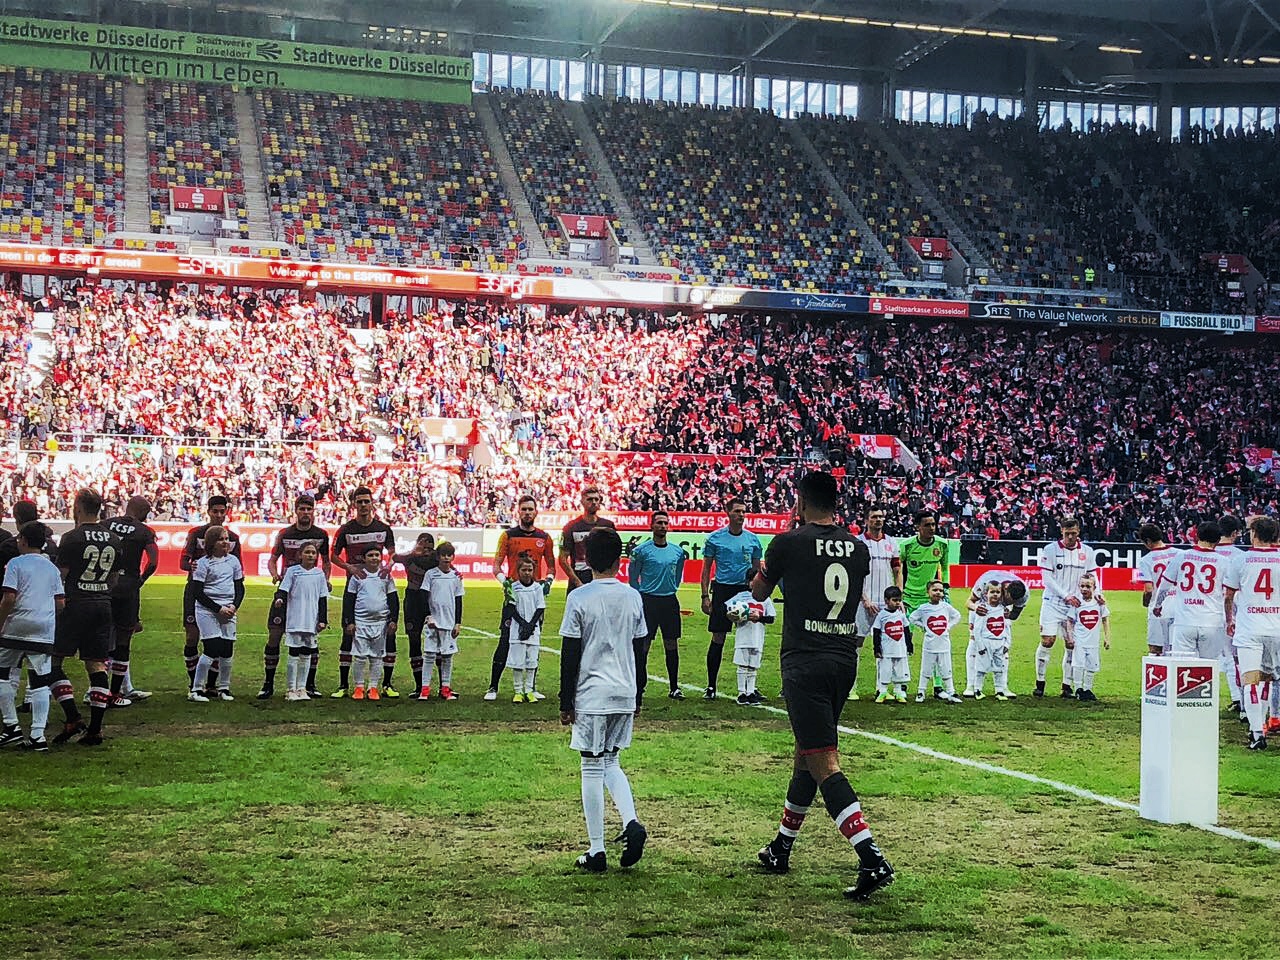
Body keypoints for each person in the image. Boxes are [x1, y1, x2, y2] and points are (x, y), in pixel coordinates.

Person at [752, 471, 893, 902]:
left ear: (800, 500)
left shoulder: (788, 542)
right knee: (807, 756)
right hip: (842, 659)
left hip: (804, 660)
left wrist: (768, 561)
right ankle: (781, 847)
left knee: (824, 761)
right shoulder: (859, 548)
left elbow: (758, 592)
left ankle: (870, 857)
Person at [557, 526, 648, 873]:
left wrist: (566, 702)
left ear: (586, 560)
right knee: (611, 761)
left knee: (591, 766)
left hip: (592, 693)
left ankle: (596, 850)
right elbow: (640, 650)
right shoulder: (633, 597)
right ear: (619, 559)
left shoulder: (579, 598)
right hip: (624, 690)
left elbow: (570, 652)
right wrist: (638, 693)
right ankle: (631, 821)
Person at [50, 489, 124, 746]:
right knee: (96, 665)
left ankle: (72, 716)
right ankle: (95, 729)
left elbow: (61, 574)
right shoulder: (114, 539)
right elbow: (114, 578)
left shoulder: (71, 538)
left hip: (75, 603)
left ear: (78, 507)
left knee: (53, 661)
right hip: (103, 604)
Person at [0, 522, 64, 751]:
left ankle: (11, 727)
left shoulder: (15, 564)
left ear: (24, 541)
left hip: (16, 625)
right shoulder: (51, 568)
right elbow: (60, 602)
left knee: (3, 674)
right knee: (40, 680)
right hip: (43, 628)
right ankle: (38, 734)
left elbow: (9, 598)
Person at [261, 495, 331, 700]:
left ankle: (308, 684)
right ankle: (268, 684)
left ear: (313, 511)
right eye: (302, 509)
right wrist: (275, 575)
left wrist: (324, 580)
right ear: (296, 511)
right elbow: (273, 559)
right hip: (288, 589)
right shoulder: (285, 534)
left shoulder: (321, 535)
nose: (305, 512)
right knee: (274, 635)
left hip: (307, 593)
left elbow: (326, 562)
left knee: (310, 637)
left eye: (309, 509)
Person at [485, 495, 555, 702]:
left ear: (536, 512)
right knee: (505, 639)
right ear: (518, 512)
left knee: (534, 639)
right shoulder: (508, 536)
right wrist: (504, 582)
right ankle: (493, 686)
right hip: (513, 595)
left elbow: (551, 565)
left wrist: (548, 581)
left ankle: (531, 687)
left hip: (534, 596)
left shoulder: (545, 537)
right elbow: (496, 564)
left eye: (530, 509)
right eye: (523, 509)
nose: (527, 513)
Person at [330, 487, 396, 698]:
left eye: (366, 501)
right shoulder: (346, 529)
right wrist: (349, 568)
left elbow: (393, 553)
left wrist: (388, 565)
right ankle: (344, 685)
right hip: (355, 588)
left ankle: (385, 684)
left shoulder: (383, 528)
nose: (363, 505)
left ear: (372, 503)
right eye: (359, 502)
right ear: (354, 505)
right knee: (348, 634)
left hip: (378, 586)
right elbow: (333, 555)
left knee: (386, 635)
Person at [1224, 516, 1280, 749]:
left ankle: (1257, 733)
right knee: (1267, 680)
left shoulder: (1241, 560)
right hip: (1276, 629)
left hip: (1249, 628)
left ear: (1255, 534)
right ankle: (1263, 725)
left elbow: (1228, 596)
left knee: (1250, 682)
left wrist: (1230, 620)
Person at [700, 498, 763, 700]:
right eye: (737, 511)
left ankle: (749, 687)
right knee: (718, 637)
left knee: (749, 640)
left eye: (743, 511)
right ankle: (711, 686)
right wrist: (705, 596)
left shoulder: (753, 540)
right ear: (728, 513)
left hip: (744, 591)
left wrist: (758, 596)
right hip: (722, 590)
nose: (741, 515)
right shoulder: (715, 539)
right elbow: (706, 569)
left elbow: (756, 572)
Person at [180, 496, 242, 693]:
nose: (218, 515)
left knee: (220, 641)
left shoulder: (233, 539)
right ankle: (193, 682)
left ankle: (212, 685)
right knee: (192, 637)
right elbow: (183, 562)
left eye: (222, 511)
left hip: (222, 595)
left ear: (226, 513)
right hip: (196, 591)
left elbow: (235, 567)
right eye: (215, 511)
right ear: (208, 512)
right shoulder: (195, 533)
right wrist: (194, 565)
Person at [627, 510, 689, 702]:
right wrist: (641, 594)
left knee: (671, 643)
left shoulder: (677, 552)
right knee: (644, 644)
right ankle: (639, 685)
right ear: (651, 526)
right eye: (659, 523)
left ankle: (674, 687)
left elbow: (678, 574)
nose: (663, 526)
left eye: (665, 523)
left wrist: (671, 587)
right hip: (648, 601)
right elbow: (632, 577)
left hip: (669, 601)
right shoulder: (641, 551)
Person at [104, 495, 158, 706]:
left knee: (102, 638)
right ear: (143, 510)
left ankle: (94, 690)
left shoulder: (106, 525)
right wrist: (141, 580)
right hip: (128, 588)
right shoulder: (144, 531)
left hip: (106, 586)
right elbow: (153, 562)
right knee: (124, 640)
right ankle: (115, 694)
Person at [1034, 518, 1097, 699]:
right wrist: (1066, 595)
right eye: (1067, 533)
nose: (1070, 536)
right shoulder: (1050, 550)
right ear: (1061, 531)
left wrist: (1097, 594)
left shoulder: (1087, 551)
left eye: (1074, 533)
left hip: (1075, 607)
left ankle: (1066, 686)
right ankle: (1040, 682)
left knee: (1072, 645)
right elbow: (1047, 579)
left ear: (1079, 532)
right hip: (1053, 602)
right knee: (1048, 641)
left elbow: (1092, 576)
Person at [1153, 521, 1227, 660]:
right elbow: (1229, 594)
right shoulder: (1224, 561)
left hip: (1184, 621)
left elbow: (1164, 585)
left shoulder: (1182, 556)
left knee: (1181, 667)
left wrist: (1157, 605)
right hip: (1212, 621)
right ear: (1218, 540)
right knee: (1209, 668)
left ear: (1197, 536)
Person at [188, 526, 244, 703]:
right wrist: (218, 609)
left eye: (226, 538)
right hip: (208, 610)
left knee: (227, 650)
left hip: (228, 609)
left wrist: (234, 606)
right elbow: (197, 592)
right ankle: (196, 689)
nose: (226, 542)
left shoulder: (233, 561)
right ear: (212, 542)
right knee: (212, 648)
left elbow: (239, 587)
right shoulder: (203, 563)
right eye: (221, 539)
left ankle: (224, 688)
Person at [852, 505, 902, 701]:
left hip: (886, 603)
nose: (878, 520)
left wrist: (899, 597)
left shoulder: (891, 542)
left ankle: (881, 688)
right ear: (867, 520)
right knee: (857, 642)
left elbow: (898, 571)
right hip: (864, 601)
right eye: (874, 517)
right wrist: (864, 598)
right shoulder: (859, 542)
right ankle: (851, 687)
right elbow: (854, 573)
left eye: (881, 517)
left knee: (885, 645)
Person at [899, 510, 949, 695]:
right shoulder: (907, 546)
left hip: (931, 602)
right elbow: (897, 570)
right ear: (917, 527)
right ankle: (902, 685)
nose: (931, 528)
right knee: (904, 643)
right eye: (927, 525)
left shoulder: (942, 545)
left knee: (936, 644)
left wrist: (946, 589)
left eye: (933, 524)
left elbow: (944, 567)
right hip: (910, 601)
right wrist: (900, 595)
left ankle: (938, 687)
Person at [274, 542, 330, 701]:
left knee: (306, 654)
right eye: (307, 552)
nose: (311, 555)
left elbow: (322, 598)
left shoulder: (319, 574)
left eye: (313, 552)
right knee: (293, 654)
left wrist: (322, 620)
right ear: (300, 555)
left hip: (311, 620)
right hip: (295, 619)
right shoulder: (292, 572)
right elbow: (283, 590)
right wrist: (279, 599)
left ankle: (302, 688)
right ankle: (291, 689)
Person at [343, 545, 399, 701]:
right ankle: (359, 687)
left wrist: (393, 620)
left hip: (380, 622)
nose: (374, 558)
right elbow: (349, 600)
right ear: (364, 558)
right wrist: (350, 622)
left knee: (377, 657)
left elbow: (393, 599)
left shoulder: (386, 576)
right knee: (360, 656)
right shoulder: (357, 576)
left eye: (377, 555)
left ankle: (373, 687)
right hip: (361, 622)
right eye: (371, 555)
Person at [962, 572, 1027, 697]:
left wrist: (1007, 616)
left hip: (999, 616)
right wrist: (976, 609)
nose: (1009, 602)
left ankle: (1003, 687)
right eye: (1008, 599)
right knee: (974, 640)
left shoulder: (1023, 595)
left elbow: (1014, 616)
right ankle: (971, 685)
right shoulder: (984, 583)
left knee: (1002, 645)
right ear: (1005, 590)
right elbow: (969, 602)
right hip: (981, 607)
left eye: (1013, 601)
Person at [393, 532, 437, 698]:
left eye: (429, 547)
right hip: (412, 600)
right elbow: (395, 557)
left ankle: (443, 686)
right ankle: (419, 685)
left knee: (438, 641)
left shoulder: (436, 560)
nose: (426, 550)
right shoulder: (409, 558)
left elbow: (451, 569)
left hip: (432, 601)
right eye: (423, 546)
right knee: (414, 641)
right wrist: (413, 551)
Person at [421, 542, 464, 701]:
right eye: (443, 555)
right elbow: (424, 596)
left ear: (453, 557)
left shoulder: (456, 577)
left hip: (449, 622)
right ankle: (425, 689)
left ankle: (445, 688)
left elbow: (459, 600)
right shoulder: (431, 574)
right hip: (433, 622)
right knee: (429, 654)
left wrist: (457, 623)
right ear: (438, 557)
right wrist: (428, 616)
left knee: (447, 656)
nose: (446, 558)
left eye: (449, 555)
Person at [907, 579, 963, 703]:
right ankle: (921, 692)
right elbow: (912, 618)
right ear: (928, 592)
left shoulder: (946, 607)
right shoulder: (923, 608)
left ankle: (951, 691)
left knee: (946, 668)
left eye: (940, 590)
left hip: (944, 644)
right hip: (929, 645)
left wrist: (948, 626)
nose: (938, 593)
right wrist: (923, 626)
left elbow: (957, 616)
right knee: (926, 669)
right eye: (935, 590)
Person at [559, 487, 617, 595]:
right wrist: (577, 582)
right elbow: (562, 558)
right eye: (590, 499)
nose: (594, 502)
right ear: (582, 502)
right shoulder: (571, 527)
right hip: (579, 579)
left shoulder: (608, 526)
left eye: (596, 499)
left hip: (602, 580)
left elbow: (614, 555)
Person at [1135, 523, 1181, 657]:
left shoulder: (1145, 560)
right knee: (1176, 649)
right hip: (1179, 607)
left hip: (1158, 608)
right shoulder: (1179, 554)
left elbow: (1149, 589)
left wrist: (1146, 602)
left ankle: (1159, 677)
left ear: (1148, 541)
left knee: (1155, 649)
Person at [506, 554, 546, 703]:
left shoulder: (537, 588)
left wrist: (530, 626)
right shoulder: (513, 587)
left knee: (531, 662)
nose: (527, 572)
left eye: (529, 570)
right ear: (518, 571)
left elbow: (540, 608)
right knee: (517, 662)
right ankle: (518, 691)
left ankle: (529, 690)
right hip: (517, 630)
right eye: (524, 570)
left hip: (533, 631)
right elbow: (511, 609)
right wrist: (523, 624)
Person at [724, 588, 776, 705]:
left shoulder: (765, 599)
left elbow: (771, 618)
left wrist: (759, 618)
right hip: (743, 637)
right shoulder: (741, 597)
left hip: (757, 638)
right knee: (742, 665)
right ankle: (741, 693)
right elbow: (728, 610)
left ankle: (751, 692)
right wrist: (736, 616)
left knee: (753, 667)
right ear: (749, 582)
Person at [1216, 515, 1245, 718]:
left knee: (1218, 657)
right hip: (1233, 611)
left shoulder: (1210, 552)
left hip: (1208, 611)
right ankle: (1241, 701)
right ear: (1235, 533)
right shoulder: (1239, 555)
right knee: (1236, 658)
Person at [1069, 574, 1110, 702]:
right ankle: (1078, 689)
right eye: (1082, 586)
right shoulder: (1076, 603)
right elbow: (1070, 621)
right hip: (1079, 641)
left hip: (1093, 641)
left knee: (1092, 665)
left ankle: (1088, 689)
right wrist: (1070, 637)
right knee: (1078, 664)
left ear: (1094, 587)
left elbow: (1105, 619)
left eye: (1088, 586)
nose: (1084, 589)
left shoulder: (1099, 603)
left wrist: (1107, 638)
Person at [970, 582, 1012, 700]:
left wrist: (1007, 643)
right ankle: (977, 689)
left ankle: (999, 691)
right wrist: (980, 646)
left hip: (999, 643)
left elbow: (1007, 627)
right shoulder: (982, 609)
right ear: (986, 593)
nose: (995, 595)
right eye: (992, 592)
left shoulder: (1003, 610)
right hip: (986, 642)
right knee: (981, 668)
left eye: (998, 592)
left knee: (999, 667)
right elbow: (977, 630)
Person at [871, 588, 911, 704]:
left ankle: (898, 692)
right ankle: (883, 691)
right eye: (895, 600)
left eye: (899, 600)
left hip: (900, 650)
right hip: (887, 651)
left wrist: (909, 645)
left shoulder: (901, 615)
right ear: (886, 601)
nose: (897, 603)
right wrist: (877, 648)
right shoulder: (881, 615)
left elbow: (906, 630)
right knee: (885, 670)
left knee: (899, 671)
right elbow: (876, 632)